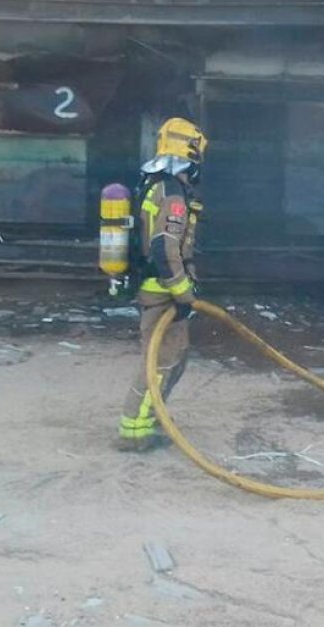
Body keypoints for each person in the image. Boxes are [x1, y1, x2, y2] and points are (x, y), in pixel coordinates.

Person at [116, 117, 207, 451]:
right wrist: (183, 293)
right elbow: (164, 246)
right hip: (163, 293)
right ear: (191, 154)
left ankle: (150, 421)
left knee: (173, 360)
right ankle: (135, 432)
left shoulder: (155, 184)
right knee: (160, 362)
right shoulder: (173, 193)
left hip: (158, 289)